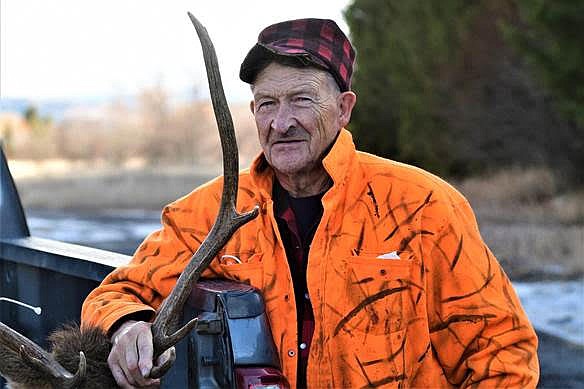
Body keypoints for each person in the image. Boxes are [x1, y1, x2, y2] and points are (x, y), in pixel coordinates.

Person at [82, 18, 539, 388]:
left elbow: (501, 349)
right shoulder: (209, 211)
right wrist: (127, 327)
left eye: (302, 100)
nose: (281, 123)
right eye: (266, 104)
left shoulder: (423, 207)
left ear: (343, 108)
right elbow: (117, 294)